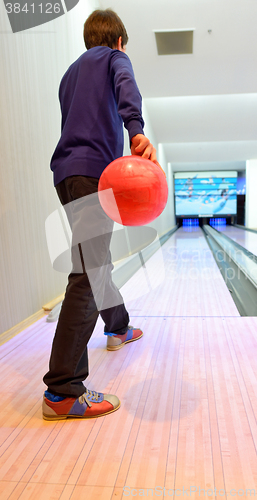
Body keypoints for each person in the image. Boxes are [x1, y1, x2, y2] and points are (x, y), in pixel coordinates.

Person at [42, 9, 159, 421]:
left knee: (97, 264)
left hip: (66, 176)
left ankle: (118, 327)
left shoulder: (69, 75)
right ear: (119, 41)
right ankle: (62, 390)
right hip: (94, 175)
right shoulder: (115, 58)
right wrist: (137, 130)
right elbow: (127, 89)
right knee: (89, 274)